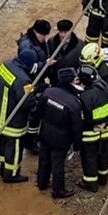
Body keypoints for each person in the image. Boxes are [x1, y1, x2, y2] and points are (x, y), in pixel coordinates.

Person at [0, 45, 40, 184]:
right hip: (13, 121)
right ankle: (11, 174)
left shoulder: (6, 65)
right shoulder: (24, 80)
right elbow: (27, 102)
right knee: (15, 148)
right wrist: (36, 103)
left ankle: (3, 168)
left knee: (3, 144)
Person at [36, 73, 81, 201]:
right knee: (58, 164)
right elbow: (77, 127)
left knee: (43, 158)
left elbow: (39, 111)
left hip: (45, 132)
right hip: (61, 139)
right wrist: (77, 144)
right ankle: (58, 190)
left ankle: (42, 183)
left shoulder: (48, 92)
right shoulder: (73, 103)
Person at [75, 62, 108, 190]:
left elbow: (83, 116)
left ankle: (90, 183)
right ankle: (103, 179)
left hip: (90, 133)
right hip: (106, 129)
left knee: (89, 157)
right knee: (103, 155)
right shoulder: (107, 88)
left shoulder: (85, 96)